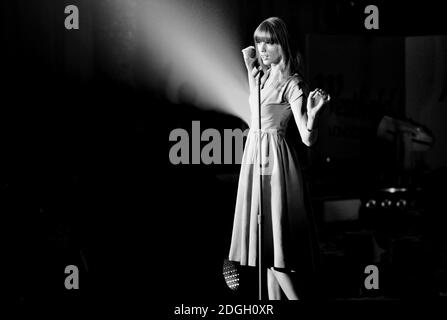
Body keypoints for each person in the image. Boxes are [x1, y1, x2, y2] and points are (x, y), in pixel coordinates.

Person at [228, 17, 330, 300]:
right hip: (255, 156)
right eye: (259, 41)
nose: (262, 48)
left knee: (276, 251)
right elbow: (255, 109)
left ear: (282, 43)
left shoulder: (292, 83)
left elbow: (307, 138)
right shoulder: (262, 76)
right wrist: (250, 66)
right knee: (267, 251)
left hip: (273, 162)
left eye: (269, 42)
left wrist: (315, 113)